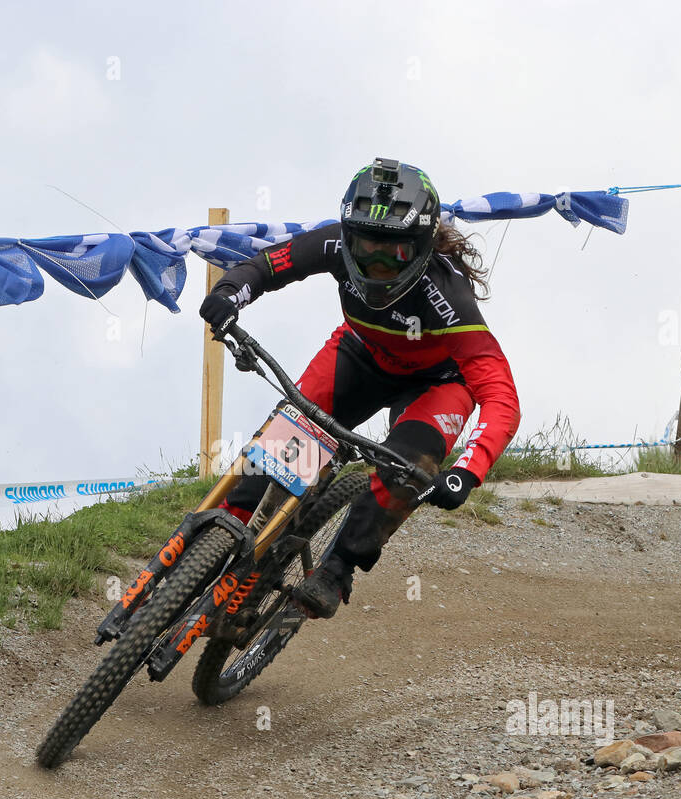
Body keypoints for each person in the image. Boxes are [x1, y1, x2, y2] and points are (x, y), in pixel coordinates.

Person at [199, 157, 520, 619]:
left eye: (395, 254)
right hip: (361, 356)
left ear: (423, 246)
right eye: (366, 248)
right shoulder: (332, 242)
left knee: (407, 471)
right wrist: (230, 292)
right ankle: (222, 535)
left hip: (436, 385)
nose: (379, 264)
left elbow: (502, 399)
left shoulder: (449, 299)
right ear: (348, 236)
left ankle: (337, 569)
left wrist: (468, 470)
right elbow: (267, 267)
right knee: (286, 442)